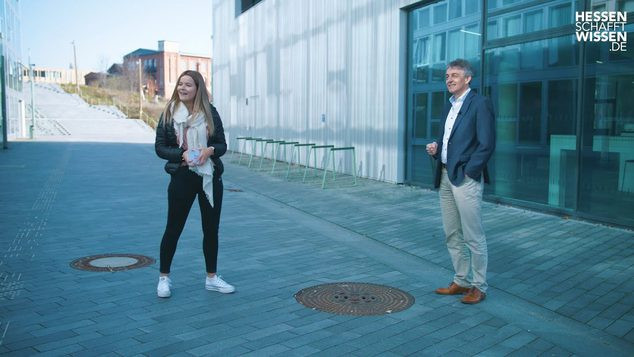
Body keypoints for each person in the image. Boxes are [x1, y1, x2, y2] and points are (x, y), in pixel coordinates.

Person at [154, 70, 235, 298]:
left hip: (208, 178)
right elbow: (160, 147)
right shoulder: (170, 113)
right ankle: (163, 279)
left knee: (211, 230)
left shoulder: (210, 112)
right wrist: (182, 154)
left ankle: (212, 278)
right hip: (182, 177)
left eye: (188, 84)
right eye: (180, 84)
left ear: (198, 88)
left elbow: (221, 145)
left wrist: (209, 150)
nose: (183, 88)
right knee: (173, 229)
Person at [426, 59, 495, 304]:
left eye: (455, 75)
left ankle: (479, 285)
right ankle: (461, 280)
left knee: (473, 235)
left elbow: (486, 144)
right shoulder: (449, 106)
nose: (449, 79)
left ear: (468, 79)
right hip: (445, 175)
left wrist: (470, 172)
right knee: (451, 232)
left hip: (464, 178)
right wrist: (437, 148)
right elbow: (449, 139)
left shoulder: (480, 104)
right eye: (447, 76)